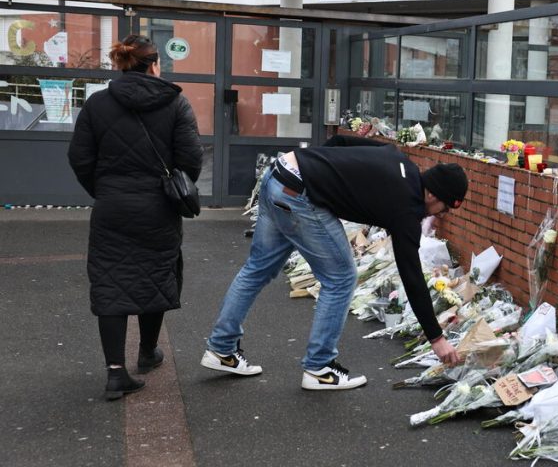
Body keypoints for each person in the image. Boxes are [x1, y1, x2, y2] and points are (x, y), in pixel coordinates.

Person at [201, 134, 467, 390]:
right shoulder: (406, 208)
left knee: (257, 268)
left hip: (279, 173)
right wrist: (437, 338)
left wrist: (318, 169)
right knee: (341, 278)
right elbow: (411, 275)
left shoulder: (395, 157)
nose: (441, 216)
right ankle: (320, 368)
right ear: (433, 195)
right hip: (299, 194)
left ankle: (221, 348)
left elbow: (339, 142)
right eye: (445, 209)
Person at [67, 34, 203, 400]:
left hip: (111, 207)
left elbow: (80, 158)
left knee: (110, 282)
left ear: (118, 64)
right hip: (158, 207)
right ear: (155, 64)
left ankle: (115, 374)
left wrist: (105, 189)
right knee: (155, 275)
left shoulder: (96, 105)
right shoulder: (176, 104)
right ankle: (147, 352)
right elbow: (190, 160)